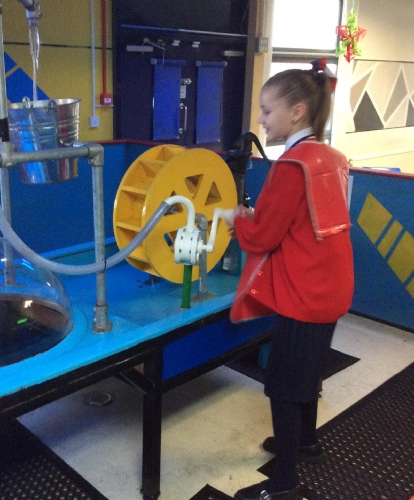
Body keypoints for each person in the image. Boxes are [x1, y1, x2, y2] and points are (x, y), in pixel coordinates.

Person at [227, 59, 354, 500]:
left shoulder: (290, 166)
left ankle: (284, 484)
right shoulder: (332, 158)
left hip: (305, 294)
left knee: (282, 385)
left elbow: (264, 235)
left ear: (297, 112)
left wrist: (238, 219)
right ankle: (305, 441)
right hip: (332, 287)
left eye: (267, 110)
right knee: (309, 371)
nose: (261, 119)